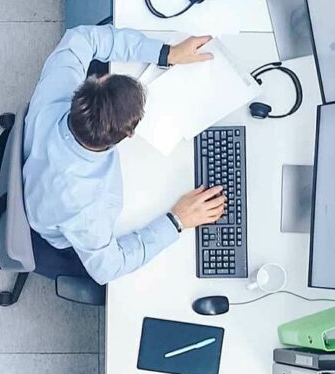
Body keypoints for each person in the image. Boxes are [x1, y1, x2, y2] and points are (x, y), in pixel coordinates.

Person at [21, 24, 227, 285]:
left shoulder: (57, 88)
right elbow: (107, 269)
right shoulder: (86, 207)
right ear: (128, 134)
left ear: (95, 82)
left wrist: (167, 54)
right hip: (59, 233)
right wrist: (177, 220)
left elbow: (82, 37)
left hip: (37, 170)